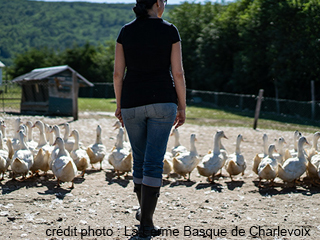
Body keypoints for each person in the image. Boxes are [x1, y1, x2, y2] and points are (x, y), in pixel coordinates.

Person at [113, 0, 186, 238]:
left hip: (131, 101)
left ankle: (143, 214)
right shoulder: (170, 30)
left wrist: (119, 104)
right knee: (154, 163)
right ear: (157, 3)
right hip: (163, 101)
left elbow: (117, 73)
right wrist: (182, 106)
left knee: (140, 161)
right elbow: (178, 72)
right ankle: (146, 223)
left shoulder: (125, 31)